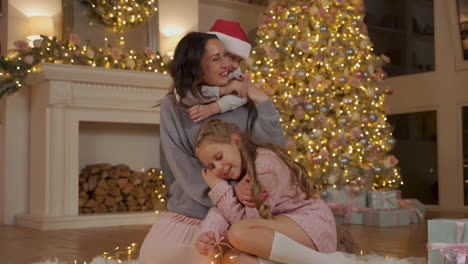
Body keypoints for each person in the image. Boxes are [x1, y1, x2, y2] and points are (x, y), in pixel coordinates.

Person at [138, 31, 285, 264]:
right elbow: (182, 168)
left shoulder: (244, 101)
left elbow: (272, 156)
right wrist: (225, 194)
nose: (227, 64)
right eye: (217, 58)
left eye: (228, 57)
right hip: (193, 209)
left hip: (243, 210)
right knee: (154, 258)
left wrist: (265, 104)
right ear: (196, 65)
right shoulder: (172, 107)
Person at [194, 119, 346, 264]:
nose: (218, 167)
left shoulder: (264, 166)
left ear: (236, 141)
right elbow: (222, 210)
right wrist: (209, 232)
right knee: (231, 259)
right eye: (212, 166)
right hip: (279, 231)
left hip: (311, 227)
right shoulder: (236, 174)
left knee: (238, 232)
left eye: (219, 157)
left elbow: (248, 225)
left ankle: (328, 262)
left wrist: (219, 188)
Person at [182, 19, 252, 123]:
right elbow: (186, 95)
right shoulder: (194, 75)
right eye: (232, 58)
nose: (236, 66)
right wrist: (225, 89)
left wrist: (213, 108)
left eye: (240, 61)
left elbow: (243, 95)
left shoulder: (235, 73)